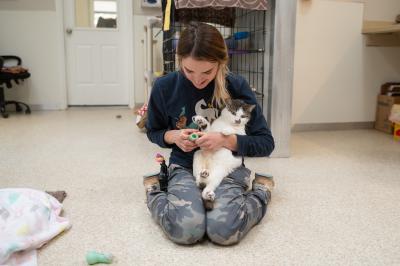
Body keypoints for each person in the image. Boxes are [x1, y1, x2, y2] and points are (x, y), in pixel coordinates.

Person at [144, 22, 275, 246]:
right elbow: (154, 131)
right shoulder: (164, 87)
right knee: (186, 231)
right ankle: (154, 189)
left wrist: (226, 141)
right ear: (179, 61)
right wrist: (173, 136)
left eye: (207, 72)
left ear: (221, 63)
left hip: (227, 167)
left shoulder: (237, 86)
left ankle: (261, 190)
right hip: (185, 165)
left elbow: (266, 143)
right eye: (188, 71)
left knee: (224, 232)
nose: (197, 80)